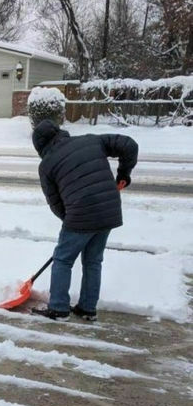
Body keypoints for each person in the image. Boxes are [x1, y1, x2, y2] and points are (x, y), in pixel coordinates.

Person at [31, 119, 138, 321]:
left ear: (40, 146)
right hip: (109, 209)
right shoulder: (91, 140)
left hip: (81, 214)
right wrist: (124, 173)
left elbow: (55, 202)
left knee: (63, 259)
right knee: (93, 261)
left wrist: (73, 222)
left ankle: (58, 308)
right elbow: (129, 145)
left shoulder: (46, 165)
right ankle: (88, 308)